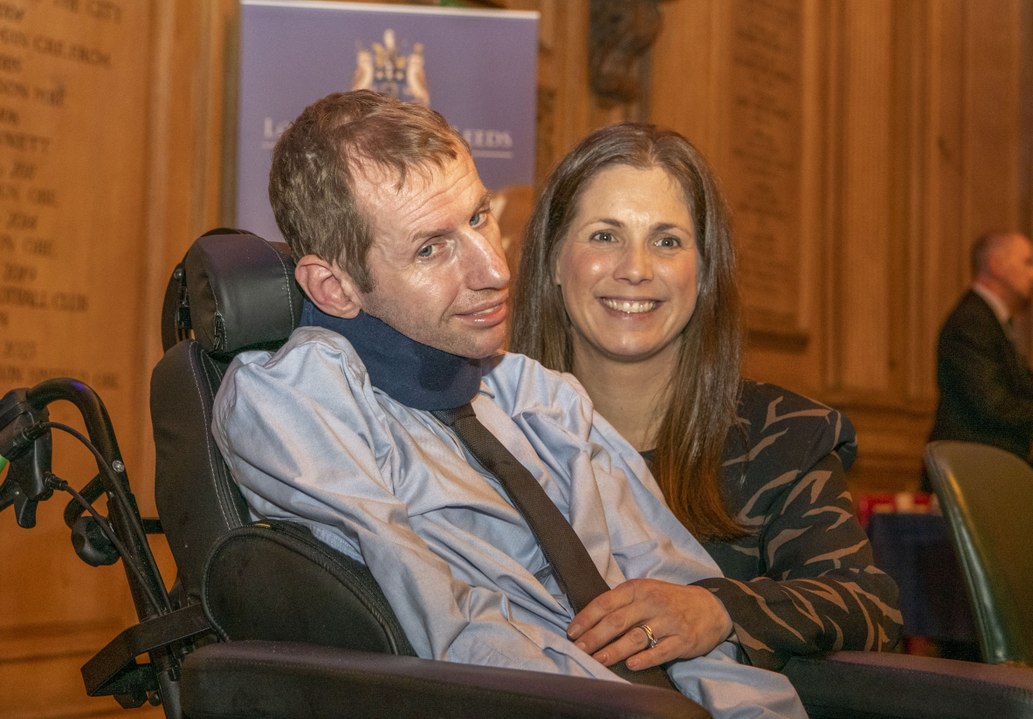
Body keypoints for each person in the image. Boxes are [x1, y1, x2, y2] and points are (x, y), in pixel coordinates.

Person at [211, 90, 805, 718]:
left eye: (478, 217)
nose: (494, 269)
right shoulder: (295, 400)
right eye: (430, 249)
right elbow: (452, 633)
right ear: (334, 286)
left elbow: (680, 605)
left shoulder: (541, 396)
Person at [510, 122, 902, 671]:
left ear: (703, 273)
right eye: (605, 235)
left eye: (667, 241)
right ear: (553, 260)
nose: (635, 269)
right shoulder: (486, 432)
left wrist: (714, 610)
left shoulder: (785, 436)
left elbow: (869, 607)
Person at [927, 231, 1033, 468]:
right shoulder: (972, 322)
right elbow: (992, 404)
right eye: (1027, 262)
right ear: (996, 265)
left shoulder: (992, 321)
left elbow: (1022, 385)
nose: (1032, 274)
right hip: (974, 469)